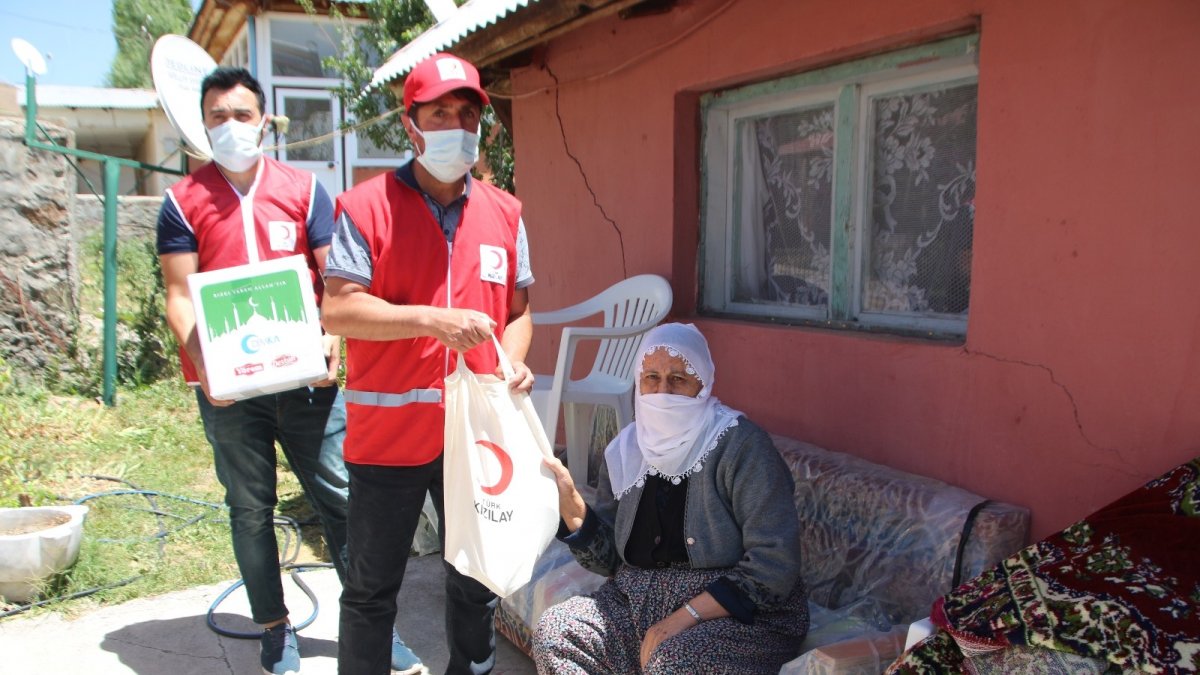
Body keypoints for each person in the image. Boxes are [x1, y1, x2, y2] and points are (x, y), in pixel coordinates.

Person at [157, 66, 419, 675]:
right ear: (204, 125)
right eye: (217, 116)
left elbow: (337, 280)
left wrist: (333, 336)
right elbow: (177, 293)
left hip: (308, 385)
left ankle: (375, 625)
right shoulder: (182, 200)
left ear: (265, 122)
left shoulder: (305, 191)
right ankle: (275, 629)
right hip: (228, 393)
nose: (230, 126)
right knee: (249, 509)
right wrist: (202, 363)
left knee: (347, 499)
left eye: (242, 115)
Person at [321, 52, 535, 675]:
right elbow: (338, 311)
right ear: (411, 125)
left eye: (467, 114)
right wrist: (427, 318)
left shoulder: (506, 212)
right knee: (370, 590)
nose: (456, 125)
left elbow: (519, 314)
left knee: (475, 580)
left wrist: (513, 363)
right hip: (386, 439)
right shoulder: (364, 208)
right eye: (440, 112)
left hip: (474, 438)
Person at [532, 323, 810, 674]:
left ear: (703, 384)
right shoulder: (626, 450)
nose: (663, 391)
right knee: (557, 632)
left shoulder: (740, 446)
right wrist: (572, 506)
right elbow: (611, 562)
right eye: (651, 377)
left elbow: (775, 564)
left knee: (676, 660)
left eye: (678, 379)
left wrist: (683, 618)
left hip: (737, 614)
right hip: (637, 602)